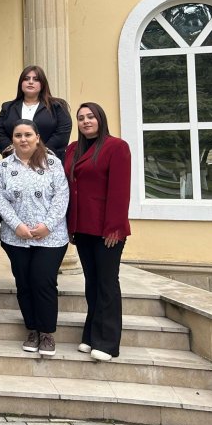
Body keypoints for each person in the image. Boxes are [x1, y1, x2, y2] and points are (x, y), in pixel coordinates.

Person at [0, 119, 69, 358]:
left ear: (37, 137)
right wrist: (17, 226)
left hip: (51, 238)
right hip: (16, 238)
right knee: (24, 284)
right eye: (18, 135)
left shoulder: (53, 163)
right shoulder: (5, 166)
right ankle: (32, 330)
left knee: (43, 281)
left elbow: (62, 196)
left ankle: (46, 333)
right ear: (12, 140)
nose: (23, 139)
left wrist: (47, 226)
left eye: (28, 134)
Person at [64, 102, 131, 363]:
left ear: (100, 119)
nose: (86, 121)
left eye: (90, 116)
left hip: (107, 229)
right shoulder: (73, 149)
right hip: (82, 227)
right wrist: (70, 225)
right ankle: (91, 335)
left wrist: (114, 227)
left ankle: (107, 342)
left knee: (107, 283)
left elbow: (120, 190)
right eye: (81, 118)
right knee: (92, 283)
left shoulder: (117, 147)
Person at [0, 65, 72, 159]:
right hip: (15, 161)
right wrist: (14, 152)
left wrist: (41, 153)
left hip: (48, 161)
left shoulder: (57, 106)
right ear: (21, 83)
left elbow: (62, 133)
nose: (30, 82)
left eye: (36, 79)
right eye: (26, 79)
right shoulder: (8, 107)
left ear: (42, 84)